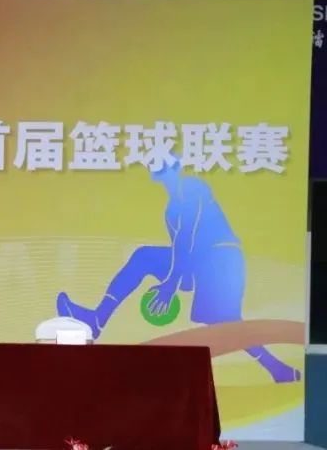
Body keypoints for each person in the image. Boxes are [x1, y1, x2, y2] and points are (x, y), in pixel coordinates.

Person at [57, 161, 301, 383]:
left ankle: (277, 369)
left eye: (167, 165)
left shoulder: (194, 188)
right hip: (197, 262)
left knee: (225, 321)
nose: (164, 171)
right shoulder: (171, 210)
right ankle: (97, 319)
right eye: (158, 167)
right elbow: (181, 250)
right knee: (144, 257)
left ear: (177, 167)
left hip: (221, 259)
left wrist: (171, 285)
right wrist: (171, 282)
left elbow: (189, 241)